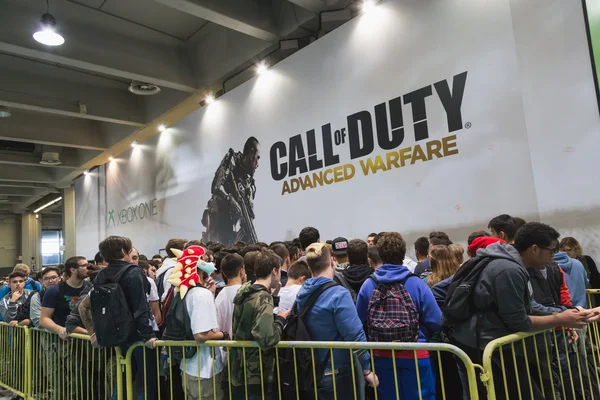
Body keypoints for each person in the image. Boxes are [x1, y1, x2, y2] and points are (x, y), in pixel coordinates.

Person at [448, 222, 590, 400]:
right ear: (534, 249)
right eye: (551, 251)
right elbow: (519, 321)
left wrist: (565, 313)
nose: (553, 258)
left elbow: (528, 307)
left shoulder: (504, 261)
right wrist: (561, 319)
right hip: (483, 347)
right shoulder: (509, 269)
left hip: (484, 343)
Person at [357, 232, 441, 400]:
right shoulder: (416, 283)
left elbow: (360, 321)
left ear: (380, 254)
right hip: (415, 354)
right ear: (403, 254)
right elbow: (437, 321)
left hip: (382, 355)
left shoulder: (369, 284)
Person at [79, 236, 158, 400]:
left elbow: (90, 307)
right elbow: (140, 306)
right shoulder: (133, 272)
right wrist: (148, 334)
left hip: (116, 334)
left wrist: (95, 332)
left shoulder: (101, 276)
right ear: (123, 251)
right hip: (138, 334)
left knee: (123, 379)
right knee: (147, 380)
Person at [164, 245, 226, 400]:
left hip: (189, 368)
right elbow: (201, 334)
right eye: (205, 260)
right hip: (204, 371)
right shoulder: (200, 294)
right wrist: (223, 335)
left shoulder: (185, 293)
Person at [230, 250, 289, 399]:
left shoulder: (244, 290)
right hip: (256, 371)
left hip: (238, 367)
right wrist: (281, 320)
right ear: (274, 270)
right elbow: (266, 337)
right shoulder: (263, 297)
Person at [202, 137, 261, 244]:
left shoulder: (249, 181)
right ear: (251, 153)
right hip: (219, 216)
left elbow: (249, 210)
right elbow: (215, 187)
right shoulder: (232, 160)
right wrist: (230, 199)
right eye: (257, 157)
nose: (258, 163)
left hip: (232, 222)